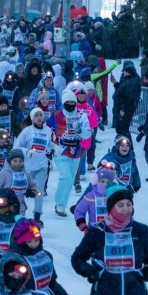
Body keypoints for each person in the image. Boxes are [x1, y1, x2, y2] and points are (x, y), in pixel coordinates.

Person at [47, 88, 91, 216]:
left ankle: (62, 206)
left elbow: (87, 134)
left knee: (71, 179)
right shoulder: (57, 115)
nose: (71, 104)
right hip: (60, 150)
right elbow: (48, 131)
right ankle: (59, 203)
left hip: (76, 151)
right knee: (65, 176)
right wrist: (51, 147)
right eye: (68, 102)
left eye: (73, 102)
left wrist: (79, 130)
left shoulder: (81, 115)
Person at [14, 108, 55, 223]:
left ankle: (37, 216)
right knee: (20, 190)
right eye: (36, 115)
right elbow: (16, 147)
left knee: (39, 191)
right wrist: (26, 152)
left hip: (42, 166)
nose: (39, 117)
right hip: (27, 168)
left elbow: (51, 144)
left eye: (40, 115)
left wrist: (55, 150)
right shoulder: (27, 131)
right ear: (32, 118)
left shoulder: (48, 131)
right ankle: (19, 214)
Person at [0, 149, 38, 216]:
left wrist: (33, 192)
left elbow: (37, 189)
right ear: (10, 161)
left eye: (20, 161)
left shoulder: (26, 174)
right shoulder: (4, 173)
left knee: (19, 226)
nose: (18, 163)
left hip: (20, 209)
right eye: (15, 161)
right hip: (5, 208)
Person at [110, 62, 141, 147]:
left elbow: (126, 96)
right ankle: (125, 146)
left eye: (125, 71)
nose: (124, 73)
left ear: (129, 72)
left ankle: (127, 147)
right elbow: (122, 91)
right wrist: (115, 83)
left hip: (124, 109)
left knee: (123, 129)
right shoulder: (128, 80)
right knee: (121, 129)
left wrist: (122, 108)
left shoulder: (132, 82)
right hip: (122, 108)